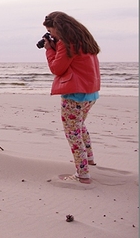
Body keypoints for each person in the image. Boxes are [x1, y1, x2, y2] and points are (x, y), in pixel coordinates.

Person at [42, 11, 101, 184]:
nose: (51, 35)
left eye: (51, 31)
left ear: (58, 28)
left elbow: (57, 69)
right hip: (91, 92)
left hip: (75, 94)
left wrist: (49, 51)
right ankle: (88, 159)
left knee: (72, 133)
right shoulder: (84, 39)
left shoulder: (67, 44)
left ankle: (82, 174)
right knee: (79, 127)